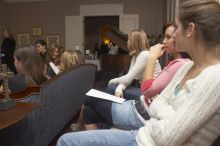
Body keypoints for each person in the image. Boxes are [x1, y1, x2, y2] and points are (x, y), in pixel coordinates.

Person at [57, 0, 220, 145]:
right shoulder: (187, 66)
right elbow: (158, 102)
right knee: (81, 122)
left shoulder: (214, 77)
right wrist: (167, 112)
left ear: (190, 30)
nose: (172, 36)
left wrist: (161, 108)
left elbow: (167, 136)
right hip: (145, 132)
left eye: (176, 28)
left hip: (146, 137)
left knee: (66, 139)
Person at [82, 22, 190, 131]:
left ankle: (105, 115)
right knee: (89, 111)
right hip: (141, 103)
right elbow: (131, 79)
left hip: (142, 110)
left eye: (168, 37)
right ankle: (104, 123)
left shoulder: (150, 56)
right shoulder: (143, 57)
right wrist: (119, 87)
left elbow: (146, 89)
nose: (163, 41)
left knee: (97, 93)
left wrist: (152, 57)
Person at [106, 29, 161, 100]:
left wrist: (112, 81)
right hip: (145, 91)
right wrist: (119, 88)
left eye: (129, 39)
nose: (127, 41)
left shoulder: (144, 55)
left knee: (111, 86)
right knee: (113, 88)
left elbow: (127, 79)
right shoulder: (135, 56)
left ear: (134, 42)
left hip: (152, 95)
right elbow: (129, 78)